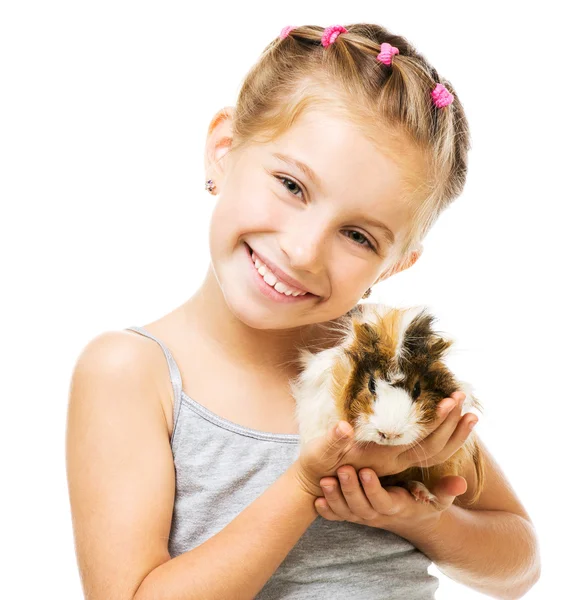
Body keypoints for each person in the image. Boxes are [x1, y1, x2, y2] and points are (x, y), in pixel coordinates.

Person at [65, 23, 541, 600]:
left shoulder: (382, 361)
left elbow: (519, 566)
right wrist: (306, 483)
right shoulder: (132, 372)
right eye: (292, 185)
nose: (302, 250)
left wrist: (418, 517)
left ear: (394, 266)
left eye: (359, 236)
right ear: (225, 148)